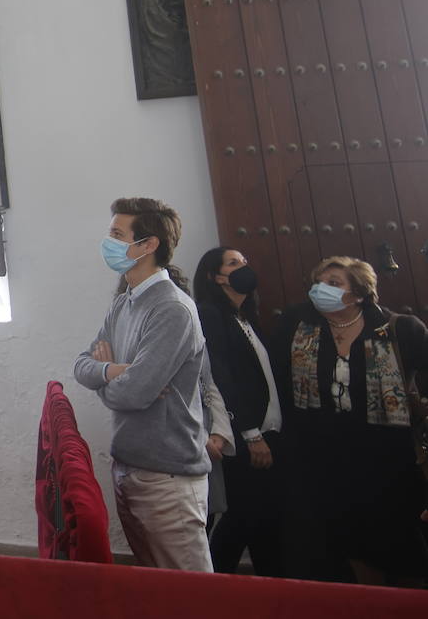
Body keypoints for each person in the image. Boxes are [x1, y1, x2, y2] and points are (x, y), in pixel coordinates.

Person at [270, 256, 428, 586]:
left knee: (394, 542)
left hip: (386, 458)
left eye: (333, 283)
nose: (320, 289)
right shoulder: (297, 325)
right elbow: (279, 382)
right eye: (318, 281)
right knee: (337, 542)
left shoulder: (400, 329)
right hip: (322, 459)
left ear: (357, 294)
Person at [73, 197, 212, 571]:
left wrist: (112, 378)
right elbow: (81, 366)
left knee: (193, 599)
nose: (109, 242)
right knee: (155, 591)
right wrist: (115, 371)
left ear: (149, 245)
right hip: (130, 466)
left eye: (118, 234)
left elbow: (135, 395)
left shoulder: (171, 309)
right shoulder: (124, 302)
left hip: (167, 476)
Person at [193, 246, 283, 575]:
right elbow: (221, 376)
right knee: (241, 518)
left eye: (244, 261)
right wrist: (250, 432)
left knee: (263, 520)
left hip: (267, 431)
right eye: (233, 263)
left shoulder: (246, 318)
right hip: (244, 435)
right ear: (215, 277)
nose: (243, 267)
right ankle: (211, 590)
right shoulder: (211, 314)